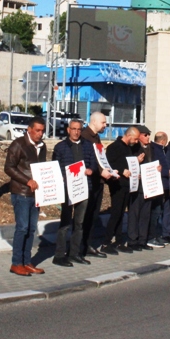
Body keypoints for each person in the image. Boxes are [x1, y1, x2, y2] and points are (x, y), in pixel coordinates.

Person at [4, 116, 47, 277]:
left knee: (31, 229)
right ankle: (16, 263)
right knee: (22, 228)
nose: (40, 134)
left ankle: (27, 262)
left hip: (36, 194)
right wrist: (27, 181)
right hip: (21, 193)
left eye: (42, 131)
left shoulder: (42, 146)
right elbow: (9, 167)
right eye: (37, 130)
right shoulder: (18, 144)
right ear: (29, 129)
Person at [51, 119, 96, 267]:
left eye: (79, 129)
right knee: (65, 223)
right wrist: (62, 176)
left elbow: (93, 163)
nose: (76, 132)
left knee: (79, 223)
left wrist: (91, 170)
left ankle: (74, 253)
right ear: (68, 130)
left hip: (83, 188)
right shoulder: (60, 147)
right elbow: (55, 166)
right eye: (73, 129)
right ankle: (59, 255)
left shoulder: (88, 146)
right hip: (67, 190)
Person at [101, 127, 141, 255]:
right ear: (129, 135)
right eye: (135, 139)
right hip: (117, 184)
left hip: (126, 184)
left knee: (121, 213)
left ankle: (119, 241)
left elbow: (129, 164)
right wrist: (122, 170)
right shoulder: (114, 147)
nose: (136, 141)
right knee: (116, 213)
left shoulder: (128, 148)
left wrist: (135, 172)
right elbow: (108, 164)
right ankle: (106, 242)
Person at [79, 112, 109, 258]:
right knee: (86, 215)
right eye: (103, 122)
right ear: (94, 121)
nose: (105, 125)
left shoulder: (96, 137)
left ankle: (88, 244)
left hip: (98, 182)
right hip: (89, 182)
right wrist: (101, 171)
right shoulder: (85, 137)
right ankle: (82, 246)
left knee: (93, 215)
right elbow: (88, 160)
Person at [127, 126, 157, 251]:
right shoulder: (134, 148)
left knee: (145, 215)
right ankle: (132, 240)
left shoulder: (151, 148)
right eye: (145, 135)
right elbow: (129, 164)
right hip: (137, 187)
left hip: (149, 187)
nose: (148, 137)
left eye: (149, 134)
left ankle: (142, 240)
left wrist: (158, 167)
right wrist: (137, 162)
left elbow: (155, 162)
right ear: (139, 136)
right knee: (134, 214)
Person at [147, 131, 170, 248]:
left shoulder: (160, 149)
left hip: (161, 185)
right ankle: (151, 237)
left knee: (158, 211)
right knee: (155, 212)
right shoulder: (156, 150)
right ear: (163, 141)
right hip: (156, 185)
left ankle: (155, 235)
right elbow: (158, 168)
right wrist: (168, 172)